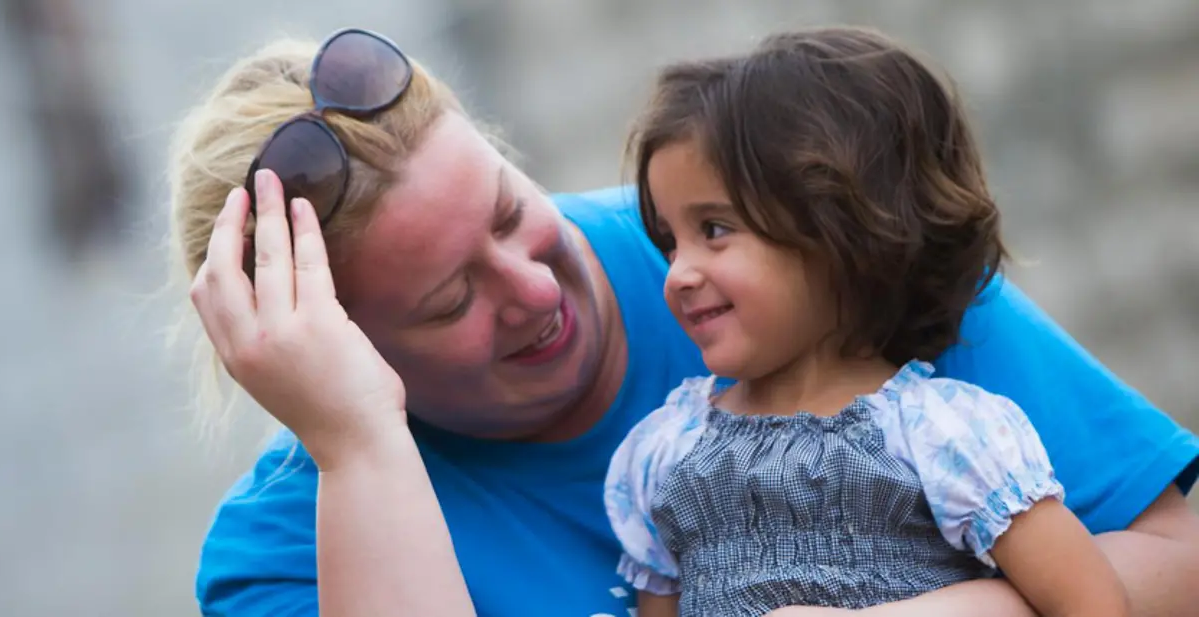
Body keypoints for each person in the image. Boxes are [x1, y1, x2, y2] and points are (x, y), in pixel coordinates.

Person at [171, 26, 1199, 617]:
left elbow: (1180, 553)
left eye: (510, 212)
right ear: (337, 353)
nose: (532, 289)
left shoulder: (794, 251)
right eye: (451, 301)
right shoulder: (284, 554)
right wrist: (359, 450)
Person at [604, 27, 1127, 617]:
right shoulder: (666, 454)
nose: (678, 274)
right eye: (670, 242)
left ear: (840, 232)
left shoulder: (941, 436)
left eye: (715, 231)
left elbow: (1093, 604)